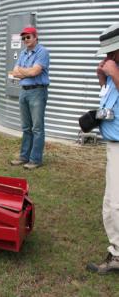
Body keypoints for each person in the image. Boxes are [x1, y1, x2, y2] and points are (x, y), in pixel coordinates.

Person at [87, 22, 119, 274]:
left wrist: (115, 75)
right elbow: (110, 105)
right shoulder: (114, 72)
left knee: (114, 204)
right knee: (110, 202)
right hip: (112, 145)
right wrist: (103, 80)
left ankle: (117, 255)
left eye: (111, 53)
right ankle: (116, 251)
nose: (107, 58)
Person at [9, 26, 50, 170]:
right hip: (24, 91)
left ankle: (35, 159)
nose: (25, 40)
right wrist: (27, 72)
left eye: (28, 37)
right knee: (26, 127)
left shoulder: (42, 52)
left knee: (37, 128)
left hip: (37, 91)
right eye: (23, 38)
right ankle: (24, 156)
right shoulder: (23, 53)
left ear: (35, 37)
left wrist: (23, 71)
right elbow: (14, 72)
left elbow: (35, 71)